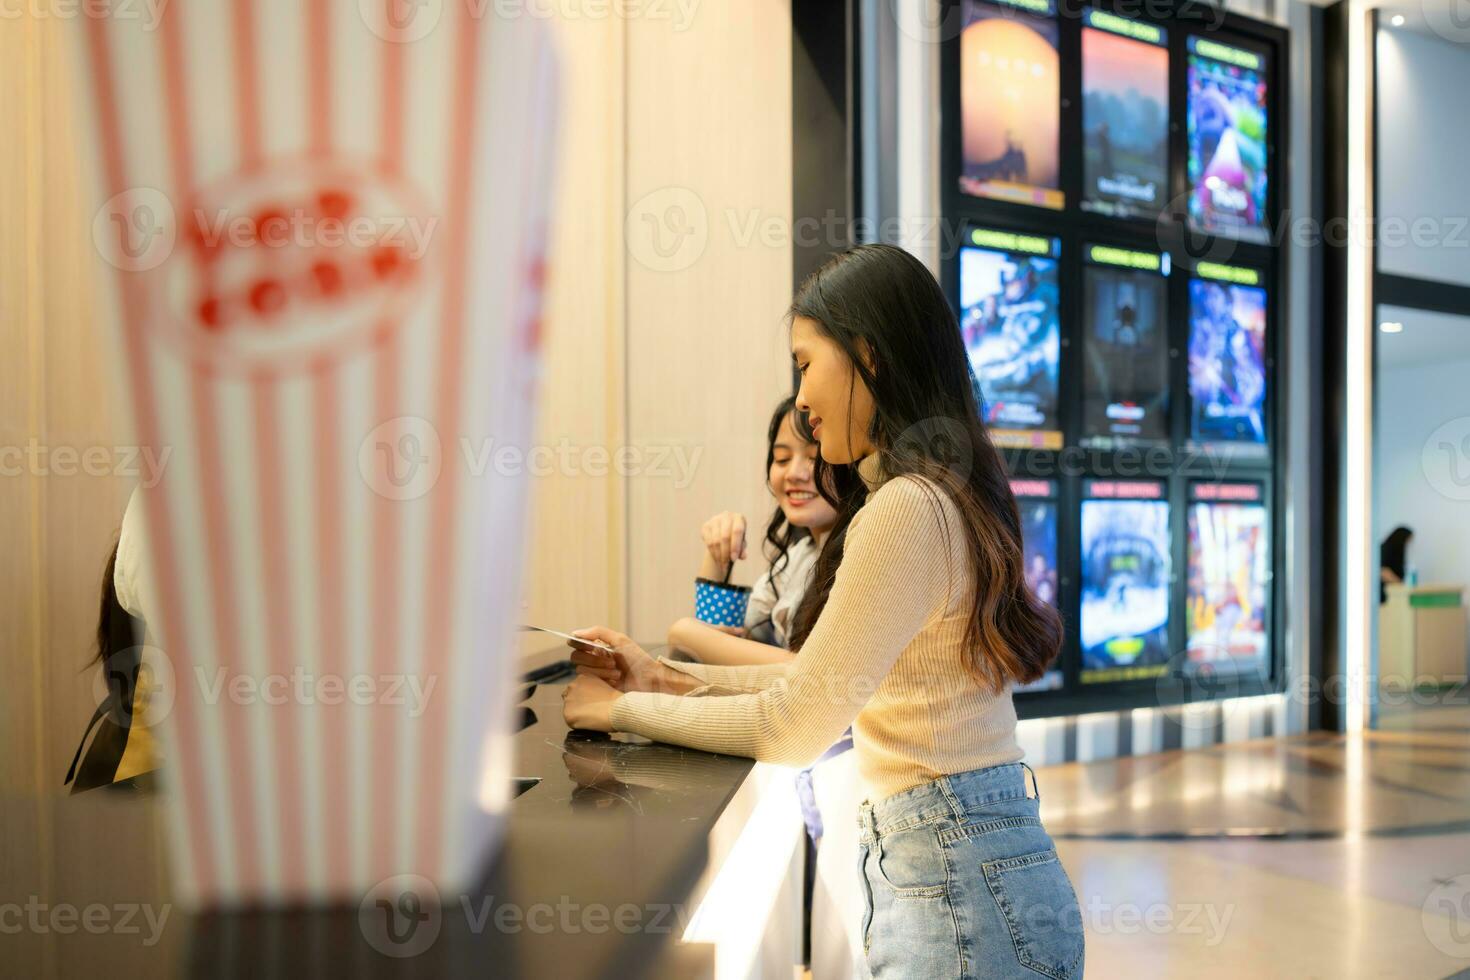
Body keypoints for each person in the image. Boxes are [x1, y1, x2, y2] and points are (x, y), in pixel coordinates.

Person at [563, 243, 1083, 978]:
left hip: (955, 888)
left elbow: (792, 722)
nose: (800, 399)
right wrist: (660, 678)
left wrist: (618, 712)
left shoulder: (905, 508)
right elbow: (816, 679)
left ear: (867, 355)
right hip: (974, 870)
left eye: (806, 364)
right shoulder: (933, 497)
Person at [668, 395, 839, 664]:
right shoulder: (798, 557)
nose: (794, 473)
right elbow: (712, 646)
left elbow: (819, 675)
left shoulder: (860, 552)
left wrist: (685, 634)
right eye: (782, 459)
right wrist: (718, 555)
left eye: (814, 457)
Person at [1380, 525, 1414, 604]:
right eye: (1408, 540)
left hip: (1393, 594)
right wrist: (1401, 585)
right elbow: (1383, 571)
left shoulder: (1397, 553)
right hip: (1385, 596)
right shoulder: (1387, 549)